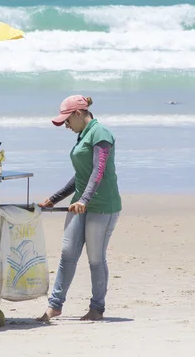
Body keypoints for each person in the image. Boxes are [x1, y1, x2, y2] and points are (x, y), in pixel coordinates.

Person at [37, 95, 122, 322]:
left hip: (103, 206)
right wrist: (54, 198)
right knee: (67, 254)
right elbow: (82, 175)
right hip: (81, 204)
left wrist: (84, 200)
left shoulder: (100, 133)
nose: (66, 126)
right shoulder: (83, 135)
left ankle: (97, 309)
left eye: (67, 120)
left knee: (95, 258)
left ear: (78, 113)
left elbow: (99, 170)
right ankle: (55, 306)